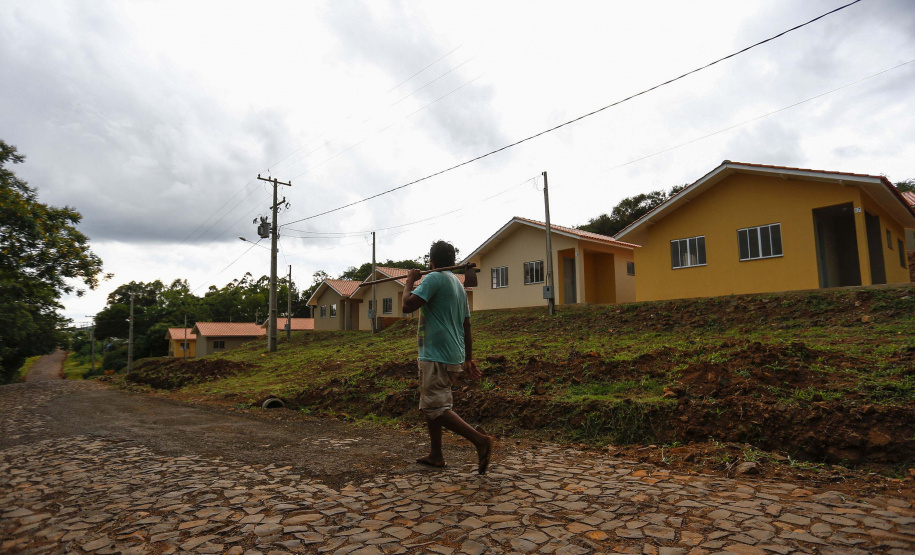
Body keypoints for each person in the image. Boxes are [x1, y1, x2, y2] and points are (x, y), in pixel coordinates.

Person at [402, 240, 494, 474]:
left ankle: (480, 440)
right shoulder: (457, 284)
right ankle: (436, 455)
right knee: (432, 404)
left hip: (435, 353)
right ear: (453, 262)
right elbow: (467, 325)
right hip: (452, 353)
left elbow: (407, 306)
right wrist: (468, 357)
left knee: (436, 407)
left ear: (431, 262)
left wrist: (410, 282)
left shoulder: (433, 279)